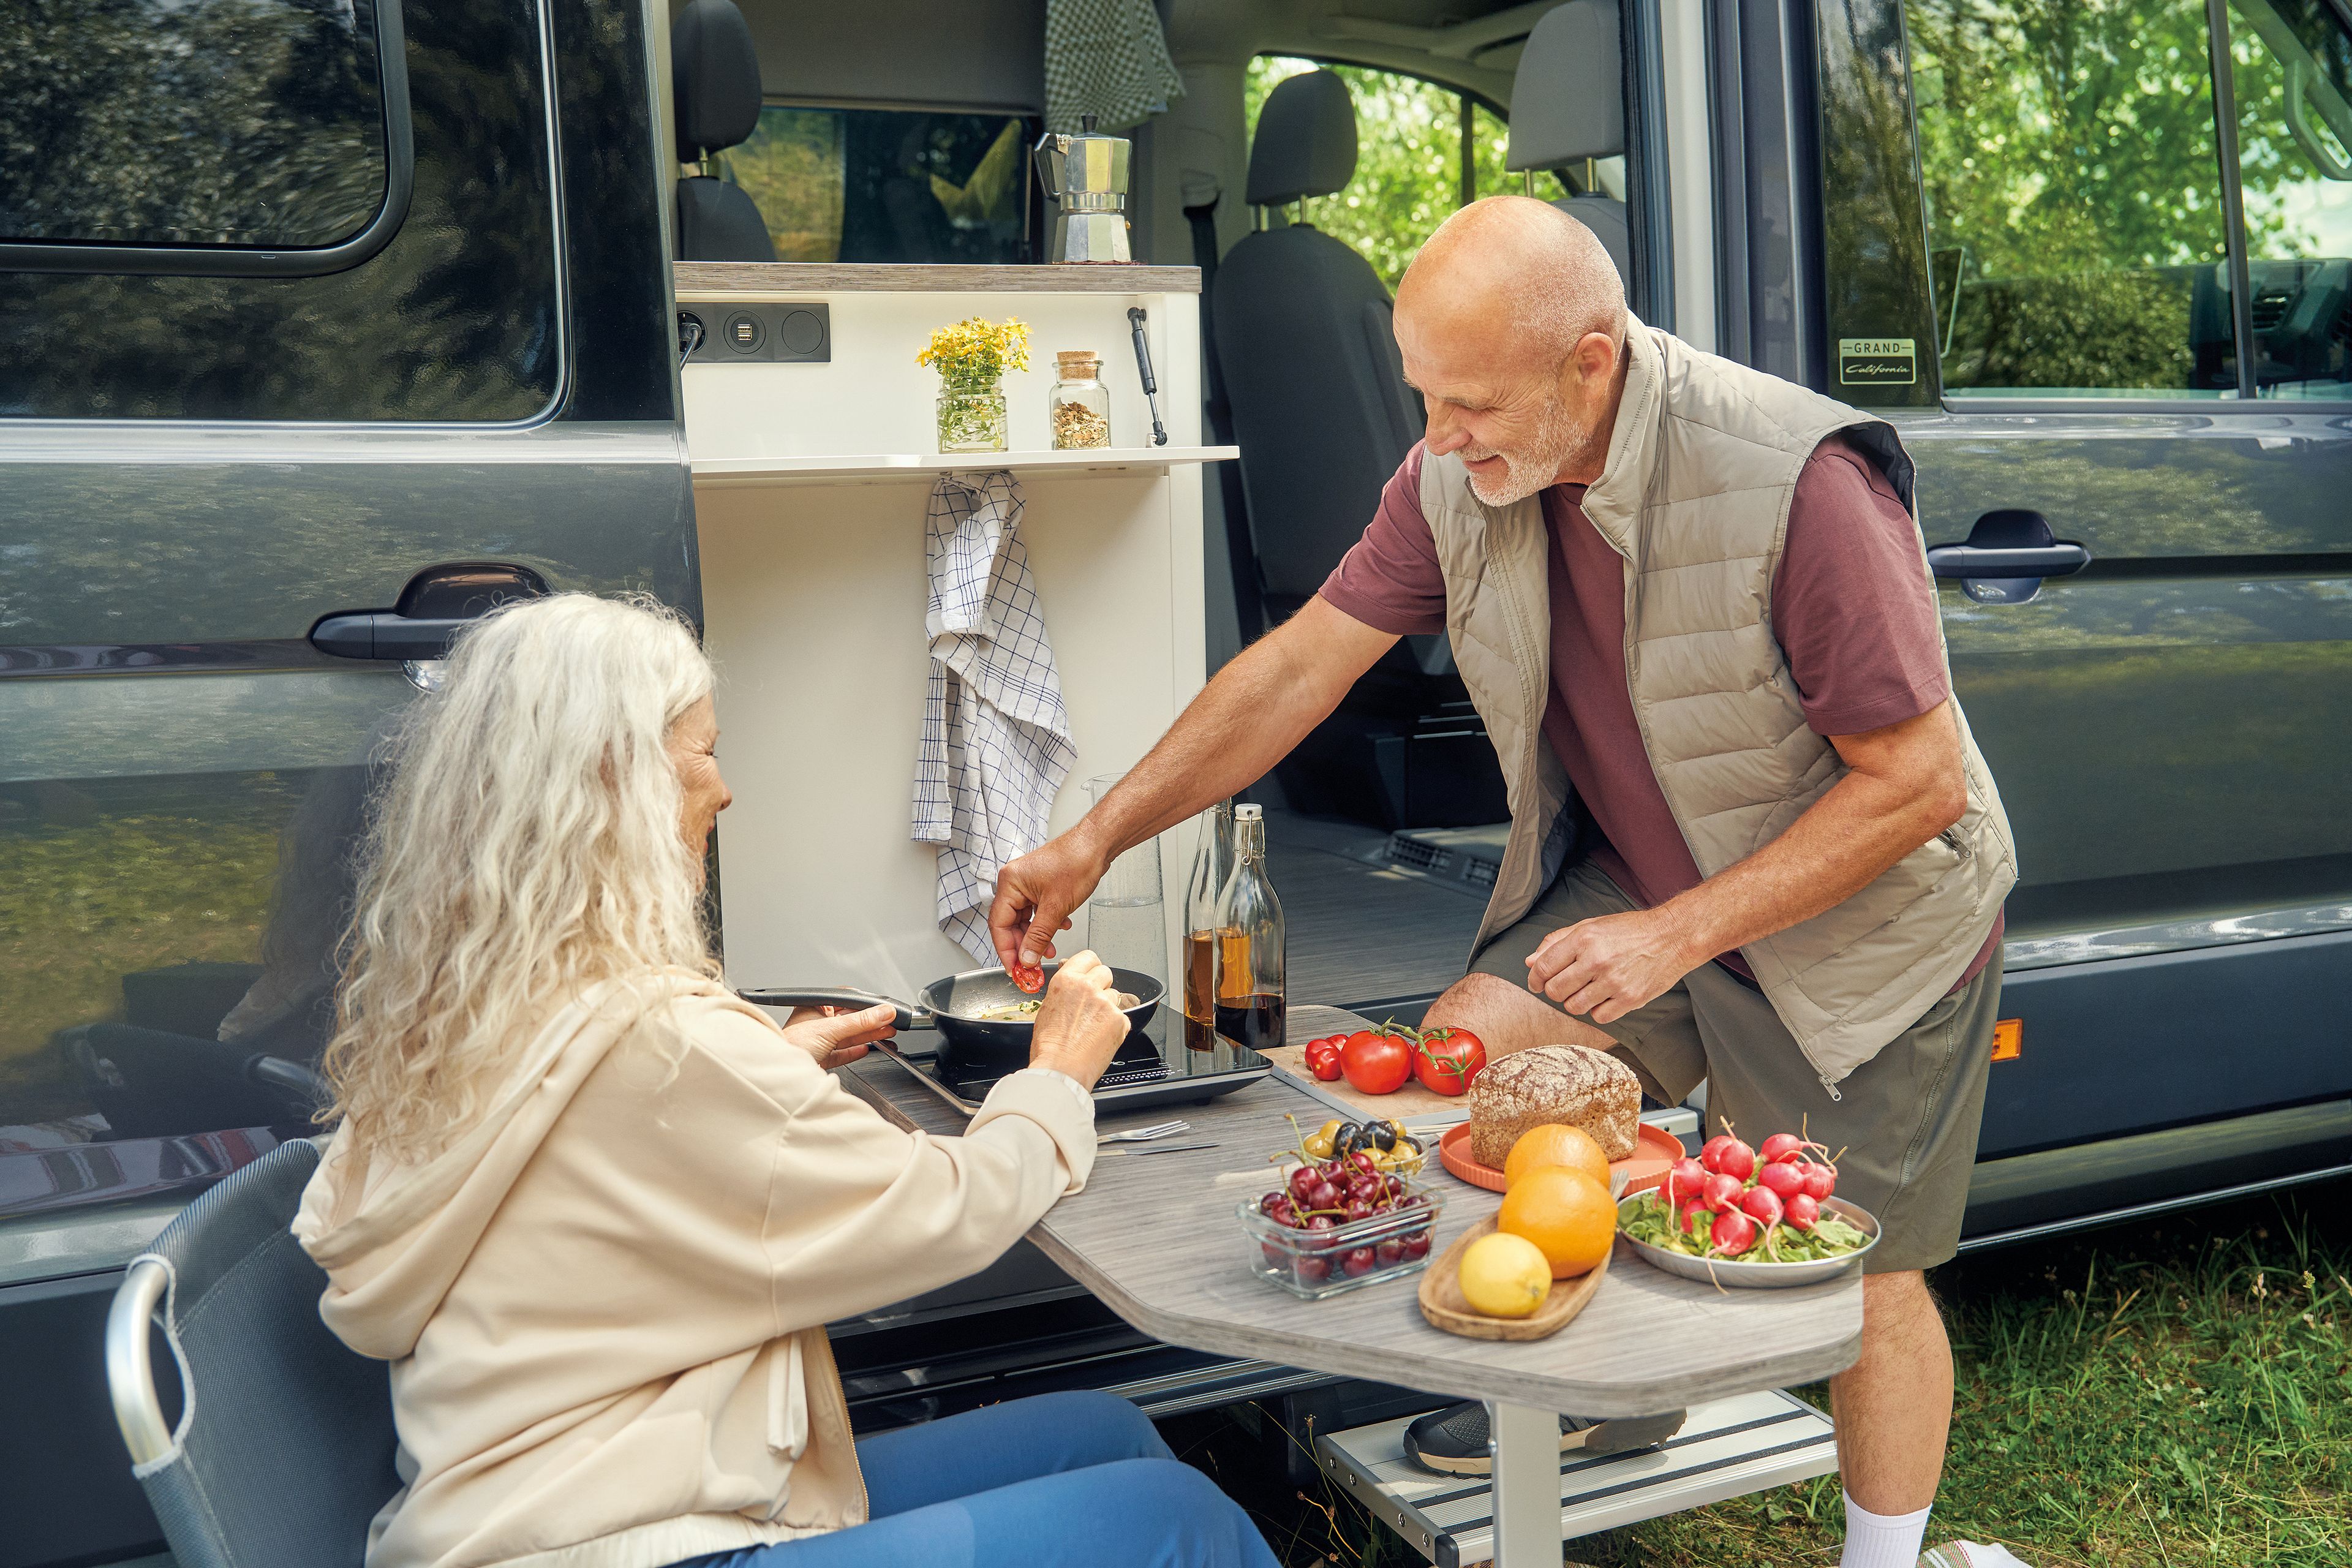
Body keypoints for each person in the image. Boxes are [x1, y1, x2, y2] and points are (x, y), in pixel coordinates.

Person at [990, 197, 2015, 1568]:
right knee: (1475, 1060)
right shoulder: (1455, 476)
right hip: (1648, 881)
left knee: (1859, 1275)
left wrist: (1677, 935)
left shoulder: (1797, 481)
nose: (1437, 436)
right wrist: (1098, 835)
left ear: (1590, 365)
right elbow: (1300, 670)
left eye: (1468, 403)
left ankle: (1884, 1558)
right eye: (1423, 395)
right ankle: (1614, 1399)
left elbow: (1919, 784)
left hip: (1859, 920)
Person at [292, 594, 1279, 1568]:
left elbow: (599, 1143)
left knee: (1102, 1434)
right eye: (703, 754)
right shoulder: (666, 1047)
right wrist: (1056, 1072)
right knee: (1176, 1517)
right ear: (614, 781)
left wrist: (770, 1063)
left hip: (571, 1498)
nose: (723, 792)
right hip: (632, 1542)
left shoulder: (477, 1012)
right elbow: (947, 1212)